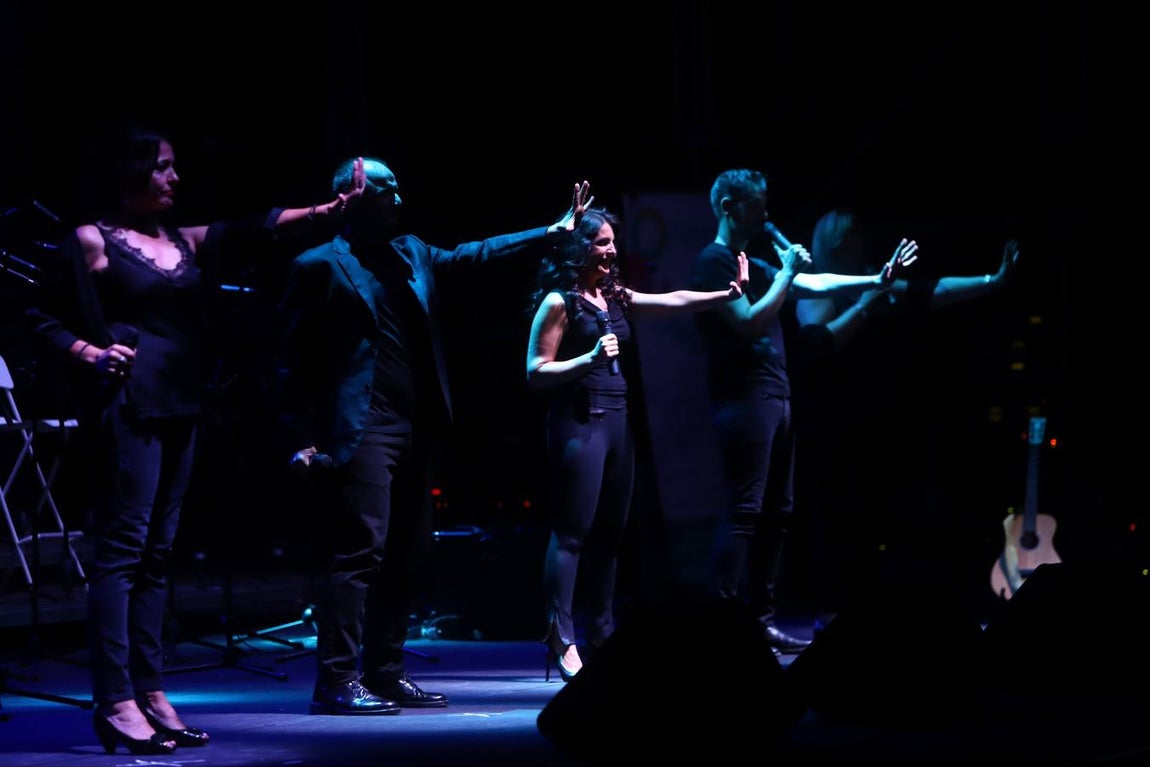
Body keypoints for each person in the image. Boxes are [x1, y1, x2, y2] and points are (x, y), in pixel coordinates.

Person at [24, 127, 357, 755]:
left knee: (157, 555)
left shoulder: (185, 241)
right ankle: (115, 698)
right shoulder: (92, 240)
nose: (175, 178)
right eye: (163, 168)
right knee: (122, 554)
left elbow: (257, 227)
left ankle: (150, 691)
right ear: (130, 173)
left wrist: (327, 210)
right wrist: (87, 351)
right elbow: (35, 314)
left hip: (182, 404)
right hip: (129, 404)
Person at [276, 155, 592, 715]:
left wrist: (549, 233)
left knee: (409, 552)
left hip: (417, 422)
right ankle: (336, 680)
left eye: (399, 190)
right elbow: (289, 363)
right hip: (361, 426)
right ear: (351, 199)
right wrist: (302, 437)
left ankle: (387, 672)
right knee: (360, 552)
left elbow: (475, 256)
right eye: (386, 191)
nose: (399, 200)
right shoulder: (319, 265)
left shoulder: (413, 253)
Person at [688, 169, 918, 654]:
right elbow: (750, 322)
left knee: (778, 513)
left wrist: (875, 278)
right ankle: (725, 622)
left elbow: (813, 285)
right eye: (757, 204)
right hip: (744, 400)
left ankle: (761, 621)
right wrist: (788, 272)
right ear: (730, 207)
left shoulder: (749, 259)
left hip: (776, 397)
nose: (765, 214)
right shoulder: (713, 262)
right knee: (746, 511)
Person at [526, 206, 749, 681]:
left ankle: (602, 634)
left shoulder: (615, 296)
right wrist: (587, 359)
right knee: (573, 534)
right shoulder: (559, 302)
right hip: (579, 422)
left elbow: (672, 301)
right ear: (578, 247)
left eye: (612, 242)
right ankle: (559, 636)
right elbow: (535, 372)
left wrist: (724, 295)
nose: (609, 251)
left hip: (619, 421)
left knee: (611, 535)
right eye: (600, 242)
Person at [791, 208, 1020, 620]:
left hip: (884, 418)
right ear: (840, 244)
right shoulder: (818, 289)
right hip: (838, 425)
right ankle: (839, 610)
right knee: (842, 518)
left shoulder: (874, 279)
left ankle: (893, 609)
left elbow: (931, 290)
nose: (865, 241)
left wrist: (991, 281)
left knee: (891, 515)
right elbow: (822, 344)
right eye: (856, 236)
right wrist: (867, 300)